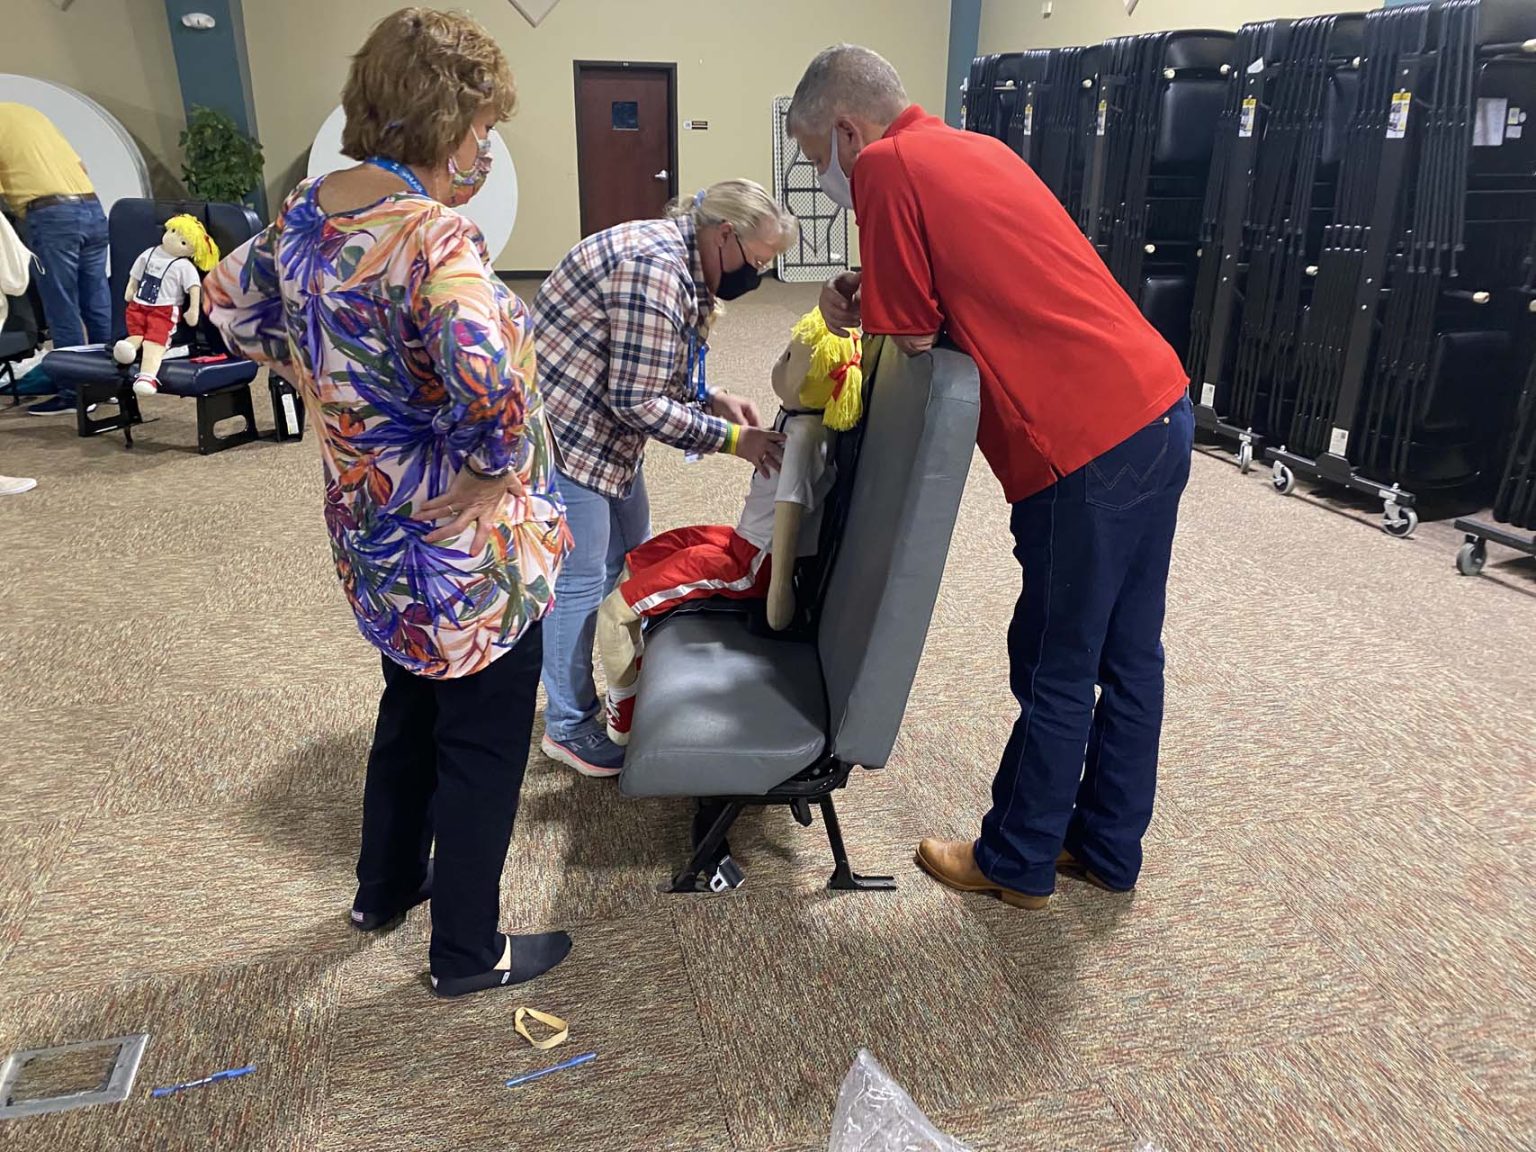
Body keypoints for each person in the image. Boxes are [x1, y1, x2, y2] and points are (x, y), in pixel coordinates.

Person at [206, 6, 573, 998]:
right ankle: (467, 952)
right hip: (466, 553)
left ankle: (383, 887)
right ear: (443, 118)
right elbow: (481, 368)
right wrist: (496, 462)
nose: (488, 146)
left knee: (410, 703)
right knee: (485, 744)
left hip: (372, 534)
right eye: (484, 126)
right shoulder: (429, 235)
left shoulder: (312, 211)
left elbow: (226, 299)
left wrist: (331, 389)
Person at [787, 45, 1194, 909]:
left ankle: (1016, 858)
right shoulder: (973, 148)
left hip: (1080, 445)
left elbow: (912, 340)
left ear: (849, 130)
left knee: (1055, 657)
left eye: (812, 149)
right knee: (1130, 655)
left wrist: (844, 310)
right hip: (1157, 406)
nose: (816, 170)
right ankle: (1109, 847)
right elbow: (969, 284)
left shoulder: (887, 166)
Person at [533, 179, 799, 777]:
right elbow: (636, 399)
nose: (756, 276)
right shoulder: (654, 268)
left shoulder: (686, 261)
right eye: (756, 261)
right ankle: (567, 726)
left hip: (603, 425)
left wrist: (711, 395)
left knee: (630, 552)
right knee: (579, 580)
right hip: (570, 429)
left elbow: (649, 360)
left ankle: (623, 679)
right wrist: (735, 440)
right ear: (724, 235)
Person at [0, 102, 111, 416]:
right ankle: (109, 386)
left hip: (51, 218)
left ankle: (75, 392)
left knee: (62, 307)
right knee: (96, 303)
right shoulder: (30, 113)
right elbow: (81, 166)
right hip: (92, 209)